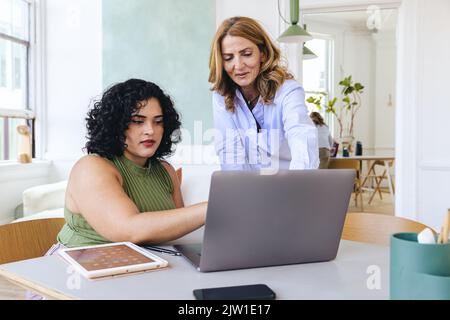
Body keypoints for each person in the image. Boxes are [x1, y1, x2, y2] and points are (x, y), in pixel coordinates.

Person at [57, 79, 207, 248]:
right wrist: (210, 208)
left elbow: (176, 229)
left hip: (144, 265)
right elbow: (128, 230)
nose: (150, 130)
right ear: (116, 124)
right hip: (79, 266)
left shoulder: (165, 170)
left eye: (158, 121)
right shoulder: (91, 167)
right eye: (138, 121)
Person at [208, 16, 319, 171]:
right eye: (228, 58)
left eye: (246, 54)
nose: (238, 66)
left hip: (291, 185)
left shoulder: (287, 91)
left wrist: (297, 184)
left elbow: (301, 135)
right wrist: (238, 192)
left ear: (263, 54)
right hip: (252, 189)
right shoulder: (222, 95)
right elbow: (230, 151)